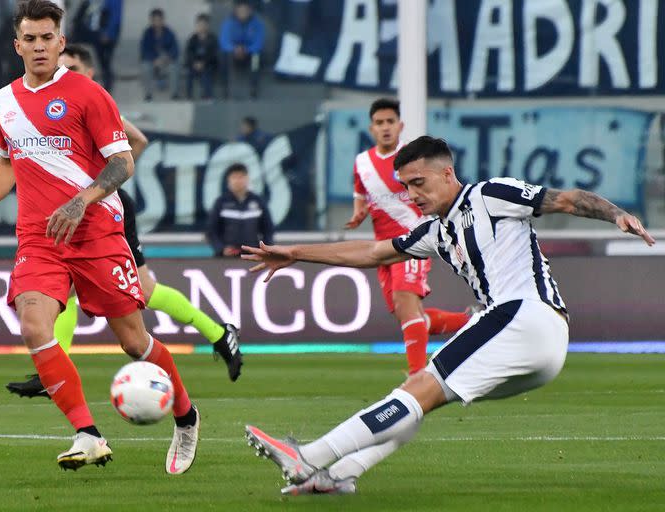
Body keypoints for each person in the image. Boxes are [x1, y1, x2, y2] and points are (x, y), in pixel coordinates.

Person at [242, 135, 655, 495]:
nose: (412, 195)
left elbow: (565, 199)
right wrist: (296, 253)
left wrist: (614, 212)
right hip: (539, 344)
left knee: (419, 388)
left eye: (418, 183)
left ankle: (308, 457)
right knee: (422, 397)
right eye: (405, 187)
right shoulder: (435, 231)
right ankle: (339, 474)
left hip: (524, 316)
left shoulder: (489, 195)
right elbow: (371, 252)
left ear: (446, 174)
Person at [0, 1, 199, 474]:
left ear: (61, 43)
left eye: (48, 38)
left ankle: (186, 415)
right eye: (31, 38)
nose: (40, 46)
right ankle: (87, 434)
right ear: (17, 45)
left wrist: (81, 200)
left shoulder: (88, 93)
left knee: (133, 341)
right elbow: (9, 162)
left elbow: (123, 161)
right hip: (39, 238)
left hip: (96, 233)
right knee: (33, 325)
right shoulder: (4, 102)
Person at [5, 43, 243, 399]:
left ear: (88, 72)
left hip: (102, 207)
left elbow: (138, 141)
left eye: (70, 66)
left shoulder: (93, 100)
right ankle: (53, 368)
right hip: (70, 207)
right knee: (70, 285)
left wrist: (98, 183)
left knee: (141, 292)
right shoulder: (48, 105)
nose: (60, 71)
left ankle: (220, 334)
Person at [347, 98, 470, 373]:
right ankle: (472, 321)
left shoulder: (413, 161)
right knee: (410, 317)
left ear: (400, 125)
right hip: (383, 247)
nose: (385, 127)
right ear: (371, 128)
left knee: (406, 302)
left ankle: (417, 379)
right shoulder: (361, 163)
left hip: (412, 240)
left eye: (390, 121)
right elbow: (361, 194)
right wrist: (359, 213)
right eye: (380, 123)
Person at [207, 163, 273, 257]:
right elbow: (212, 231)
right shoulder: (221, 203)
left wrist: (265, 250)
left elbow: (268, 230)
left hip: (253, 256)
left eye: (241, 177)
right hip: (226, 258)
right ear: (228, 180)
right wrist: (221, 249)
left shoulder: (258, 201)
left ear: (247, 179)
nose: (238, 181)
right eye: (234, 177)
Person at [219, 0, 264, 99]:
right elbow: (224, 42)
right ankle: (225, 88)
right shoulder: (228, 23)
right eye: (240, 10)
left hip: (250, 53)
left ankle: (254, 88)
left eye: (245, 10)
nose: (243, 13)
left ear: (250, 11)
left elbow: (258, 43)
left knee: (256, 58)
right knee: (223, 56)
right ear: (236, 11)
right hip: (233, 53)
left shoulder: (257, 24)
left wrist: (246, 50)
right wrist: (234, 49)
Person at [139, 8, 178, 101]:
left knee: (174, 67)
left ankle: (174, 94)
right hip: (152, 61)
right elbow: (144, 50)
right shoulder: (147, 33)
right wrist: (153, 59)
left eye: (159, 20)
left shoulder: (169, 32)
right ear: (151, 21)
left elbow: (175, 49)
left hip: (166, 60)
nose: (157, 23)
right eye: (155, 20)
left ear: (163, 20)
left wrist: (166, 58)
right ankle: (148, 94)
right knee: (145, 67)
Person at [183, 13, 218, 100]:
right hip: (194, 65)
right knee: (189, 74)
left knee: (206, 74)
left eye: (204, 25)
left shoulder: (212, 38)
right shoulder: (193, 38)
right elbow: (189, 52)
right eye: (199, 25)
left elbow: (213, 54)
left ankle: (208, 96)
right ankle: (189, 96)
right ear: (196, 25)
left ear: (208, 26)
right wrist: (194, 63)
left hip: (209, 64)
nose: (201, 27)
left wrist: (203, 63)